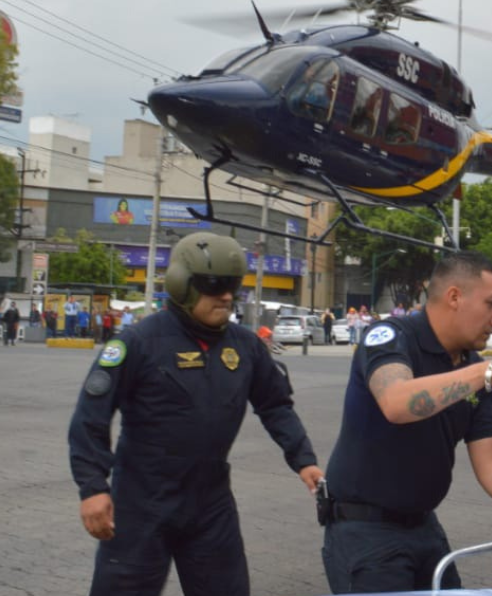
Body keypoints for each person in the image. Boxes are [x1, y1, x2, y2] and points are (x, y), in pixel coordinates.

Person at [69, 232, 323, 595]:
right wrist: (92, 488)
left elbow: (275, 405)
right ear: (181, 285)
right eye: (213, 285)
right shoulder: (137, 343)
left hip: (210, 504)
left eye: (232, 285)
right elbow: (89, 417)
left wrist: (304, 459)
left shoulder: (246, 346)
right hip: (141, 504)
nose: (225, 296)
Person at [320, 251, 492, 593]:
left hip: (424, 530)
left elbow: (491, 464)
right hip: (367, 533)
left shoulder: (473, 367)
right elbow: (396, 402)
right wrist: (485, 372)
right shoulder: (392, 336)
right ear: (454, 296)